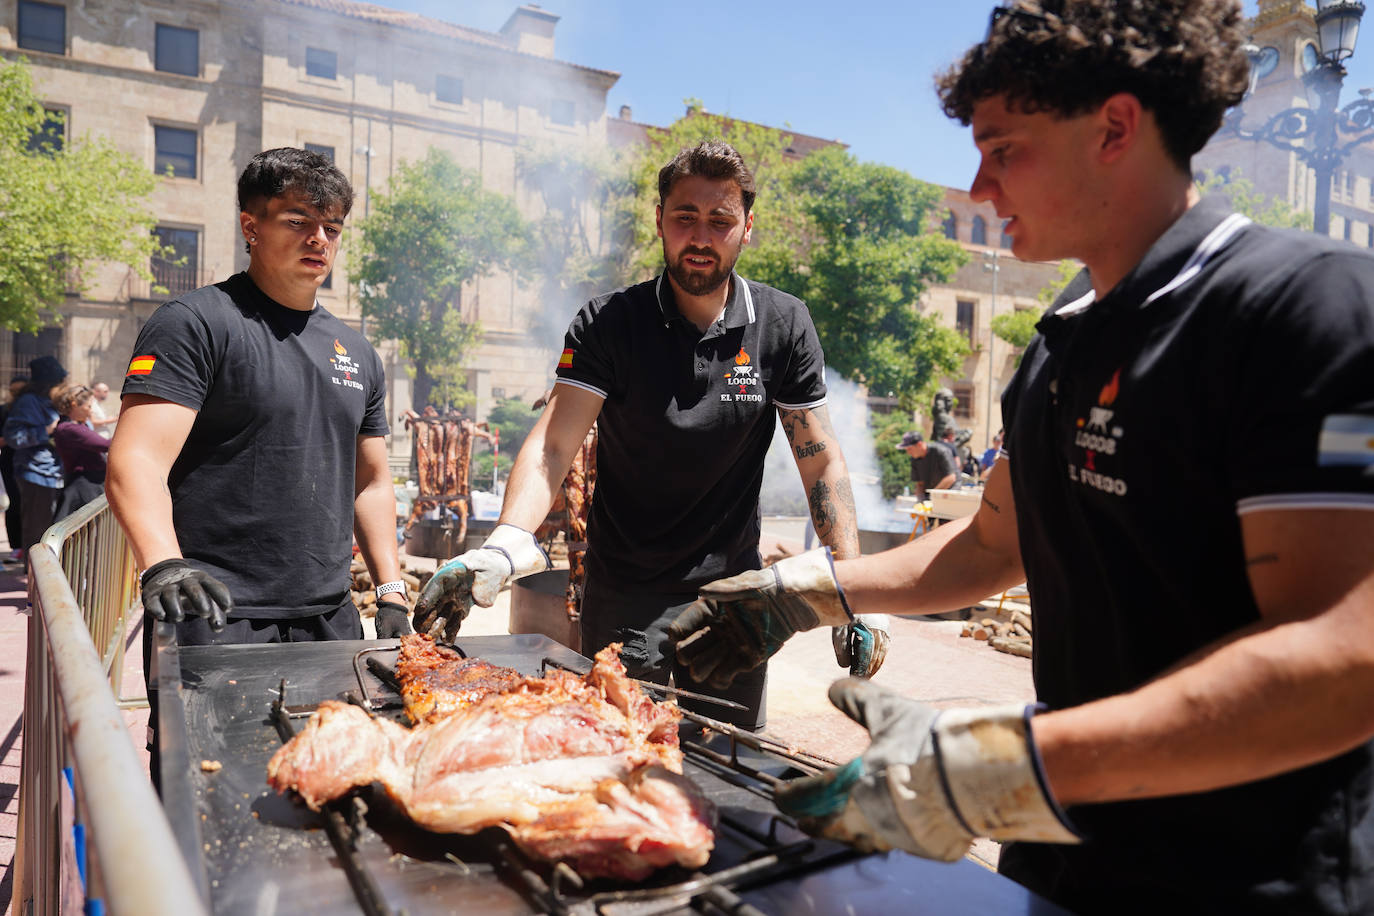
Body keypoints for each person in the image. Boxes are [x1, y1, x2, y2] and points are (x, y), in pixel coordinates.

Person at [668, 2, 1374, 912]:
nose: (980, 184)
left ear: (1115, 127)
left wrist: (1003, 765)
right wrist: (806, 591)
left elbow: (1344, 655)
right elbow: (991, 547)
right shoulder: (1057, 348)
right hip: (1062, 864)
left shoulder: (1305, 311)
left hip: (1252, 884)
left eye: (1004, 149)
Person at [415, 140, 881, 730]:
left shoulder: (783, 324)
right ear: (660, 220)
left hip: (736, 601)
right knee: (625, 757)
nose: (701, 237)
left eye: (721, 220)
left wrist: (847, 582)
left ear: (747, 228)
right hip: (626, 595)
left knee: (727, 767)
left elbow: (820, 461)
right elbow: (554, 445)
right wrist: (506, 543)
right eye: (685, 217)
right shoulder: (609, 322)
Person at [107, 148, 408, 784]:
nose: (318, 239)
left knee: (331, 784)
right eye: (297, 220)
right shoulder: (193, 324)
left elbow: (373, 482)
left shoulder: (356, 351)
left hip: (330, 619)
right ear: (250, 226)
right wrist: (162, 564)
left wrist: (390, 589)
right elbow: (134, 459)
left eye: (331, 226)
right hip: (217, 615)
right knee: (210, 793)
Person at [2, 357, 68, 555]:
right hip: (35, 472)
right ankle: (34, 576)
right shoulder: (28, 401)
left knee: (52, 530)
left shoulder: (49, 401)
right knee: (36, 530)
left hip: (56, 472)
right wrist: (46, 431)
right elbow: (13, 436)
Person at [52, 385, 109, 521]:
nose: (90, 411)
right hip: (84, 485)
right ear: (74, 405)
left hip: (88, 483)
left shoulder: (75, 425)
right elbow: (105, 444)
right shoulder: (69, 428)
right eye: (88, 406)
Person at [0, 375, 28, 561]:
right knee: (14, 503)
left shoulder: (31, 409)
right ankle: (16, 546)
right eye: (14, 391)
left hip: (30, 463)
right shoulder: (4, 410)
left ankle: (29, 545)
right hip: (10, 462)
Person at [898, 430, 955, 500]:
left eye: (909, 449)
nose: (908, 452)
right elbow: (920, 484)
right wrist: (920, 501)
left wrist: (932, 496)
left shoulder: (940, 451)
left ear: (919, 444)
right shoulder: (915, 459)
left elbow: (951, 478)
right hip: (932, 495)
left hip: (950, 494)